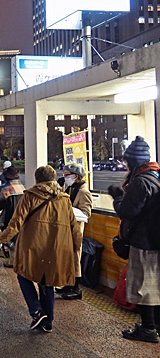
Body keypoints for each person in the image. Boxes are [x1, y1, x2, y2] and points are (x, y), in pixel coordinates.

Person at [0, 165, 81, 333]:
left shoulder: (30, 196)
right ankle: (47, 322)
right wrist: (76, 245)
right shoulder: (64, 198)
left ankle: (36, 311)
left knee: (23, 275)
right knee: (47, 282)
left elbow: (16, 221)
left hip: (33, 245)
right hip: (56, 247)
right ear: (53, 178)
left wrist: (3, 238)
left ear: (37, 179)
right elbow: (74, 225)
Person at [108, 136, 160, 343]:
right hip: (155, 239)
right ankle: (154, 325)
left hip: (144, 241)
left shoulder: (141, 181)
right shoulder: (156, 176)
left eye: (127, 160)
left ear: (133, 161)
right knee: (153, 284)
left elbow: (128, 211)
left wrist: (117, 198)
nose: (125, 164)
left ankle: (148, 328)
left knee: (143, 285)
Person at [56, 163, 92, 300]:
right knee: (67, 257)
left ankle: (76, 288)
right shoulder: (70, 188)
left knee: (75, 257)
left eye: (67, 175)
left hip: (75, 229)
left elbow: (86, 213)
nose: (65, 177)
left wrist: (69, 211)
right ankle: (67, 284)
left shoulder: (83, 192)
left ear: (75, 176)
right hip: (66, 228)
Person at [0, 166, 25, 268]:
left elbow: (1, 203)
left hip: (10, 215)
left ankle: (13, 262)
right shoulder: (22, 186)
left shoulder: (7, 188)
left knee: (11, 237)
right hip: (22, 215)